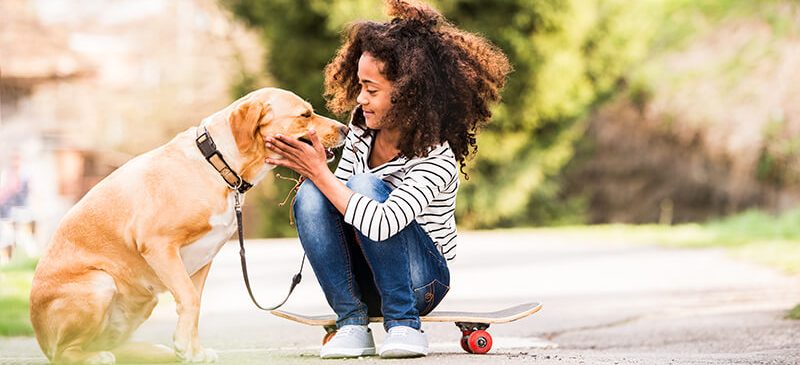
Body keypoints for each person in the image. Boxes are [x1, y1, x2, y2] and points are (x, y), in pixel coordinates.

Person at [264, 0, 510, 359]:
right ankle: (351, 322)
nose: (360, 98)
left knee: (362, 187)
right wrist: (309, 171)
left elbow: (382, 223)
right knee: (313, 195)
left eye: (372, 89)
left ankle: (405, 325)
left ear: (410, 93)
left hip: (421, 282)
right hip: (366, 277)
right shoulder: (362, 128)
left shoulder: (437, 157)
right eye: (360, 85)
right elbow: (337, 200)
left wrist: (318, 171)